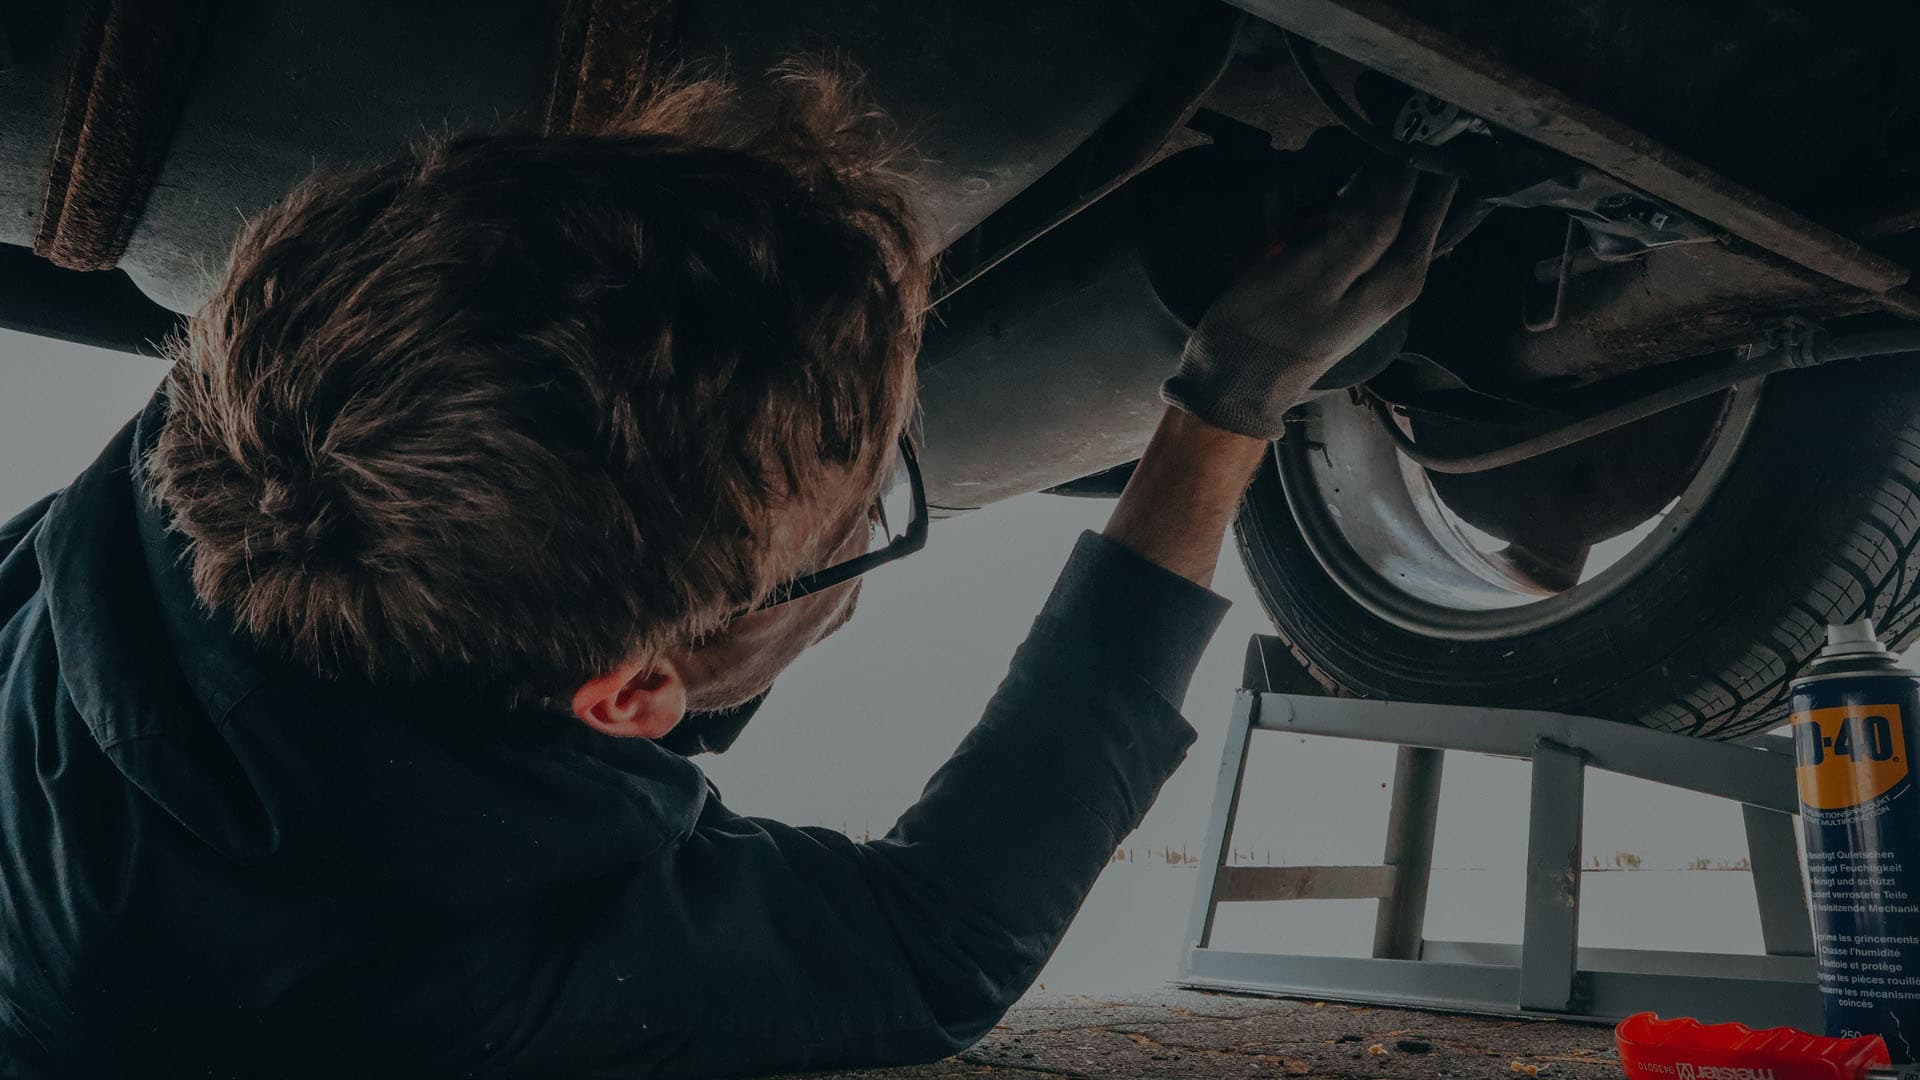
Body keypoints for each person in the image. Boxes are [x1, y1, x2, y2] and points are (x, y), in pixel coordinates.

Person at [0, 70, 1453, 1078]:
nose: (869, 519)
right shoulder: (405, 980)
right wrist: (1223, 411)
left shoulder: (269, 405)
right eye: (860, 516)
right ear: (631, 693)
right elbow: (940, 942)